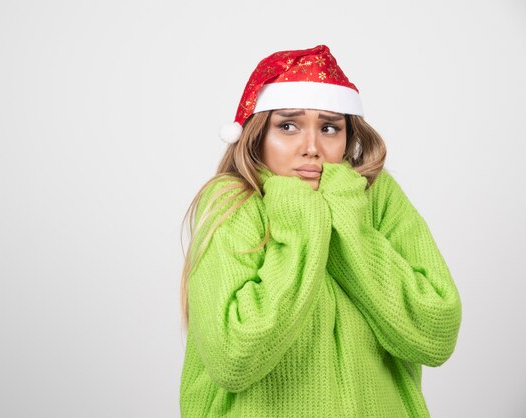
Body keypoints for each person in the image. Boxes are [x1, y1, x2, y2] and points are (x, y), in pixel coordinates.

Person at [178, 44, 462, 417]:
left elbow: (435, 335)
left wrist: (348, 223)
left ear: (348, 136)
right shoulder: (233, 202)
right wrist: (301, 220)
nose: (311, 148)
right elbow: (234, 356)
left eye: (329, 127)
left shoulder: (374, 197)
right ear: (257, 134)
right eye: (288, 125)